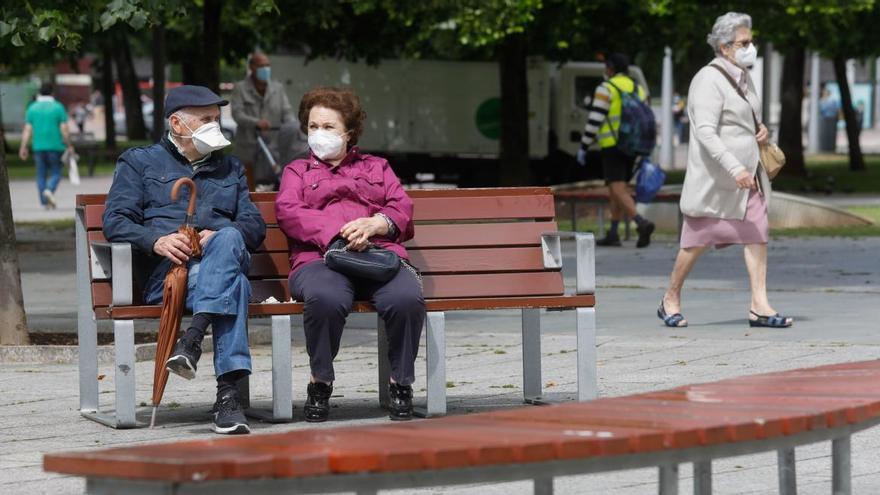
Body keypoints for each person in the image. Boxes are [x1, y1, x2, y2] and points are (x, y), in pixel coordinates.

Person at [102, 85, 267, 434]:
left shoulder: (230, 168)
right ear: (177, 124)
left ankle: (192, 341)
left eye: (217, 120)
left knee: (230, 237)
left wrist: (220, 235)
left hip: (214, 268)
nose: (216, 126)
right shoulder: (139, 161)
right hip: (169, 280)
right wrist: (156, 240)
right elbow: (115, 220)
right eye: (206, 120)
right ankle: (227, 396)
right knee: (233, 285)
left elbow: (253, 225)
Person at [275, 86, 424, 423]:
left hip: (378, 255)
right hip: (319, 259)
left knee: (405, 298)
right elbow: (289, 212)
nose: (318, 134)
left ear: (349, 132)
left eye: (328, 127)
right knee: (326, 298)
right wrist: (340, 235)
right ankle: (320, 381)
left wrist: (375, 224)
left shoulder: (378, 167)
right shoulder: (296, 171)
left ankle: (400, 383)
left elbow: (401, 207)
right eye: (313, 127)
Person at [658, 12, 793, 329]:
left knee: (757, 234)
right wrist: (734, 167)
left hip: (749, 179)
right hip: (718, 181)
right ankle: (670, 298)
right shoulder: (708, 80)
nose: (751, 47)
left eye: (751, 41)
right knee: (695, 243)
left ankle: (759, 306)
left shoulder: (744, 77)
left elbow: (744, 120)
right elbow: (705, 132)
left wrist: (760, 130)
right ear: (723, 46)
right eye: (744, 42)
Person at [576, 53, 655, 248]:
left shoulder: (606, 88)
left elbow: (595, 120)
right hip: (633, 146)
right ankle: (613, 232)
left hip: (612, 145)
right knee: (616, 189)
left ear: (610, 68)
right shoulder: (638, 88)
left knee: (617, 188)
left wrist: (584, 146)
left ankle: (641, 222)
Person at [231, 51, 297, 191]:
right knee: (247, 189)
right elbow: (237, 114)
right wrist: (256, 122)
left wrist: (292, 127)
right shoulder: (240, 88)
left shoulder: (277, 88)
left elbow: (287, 112)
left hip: (273, 148)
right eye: (262, 65)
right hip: (248, 149)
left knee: (276, 186)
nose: (265, 69)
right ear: (252, 67)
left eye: (268, 65)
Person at [18, 82, 75, 210]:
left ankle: (45, 202)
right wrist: (69, 144)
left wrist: (23, 147)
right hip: (55, 146)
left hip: (38, 146)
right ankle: (49, 190)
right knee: (56, 172)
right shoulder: (58, 107)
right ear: (52, 92)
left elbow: (27, 129)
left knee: (41, 174)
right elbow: (64, 128)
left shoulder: (32, 108)